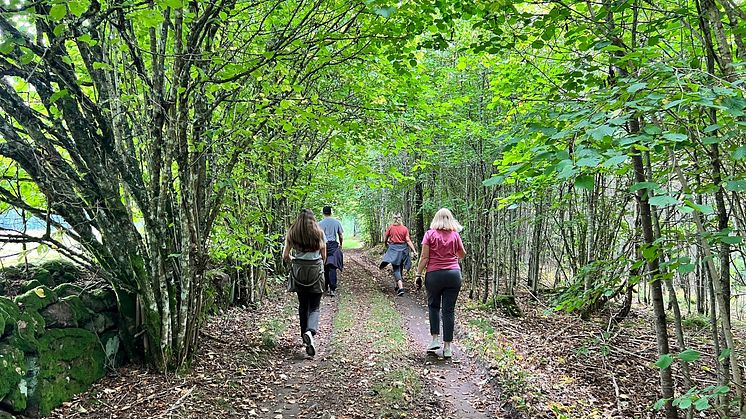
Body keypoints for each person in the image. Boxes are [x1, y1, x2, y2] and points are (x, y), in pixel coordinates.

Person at [415, 208, 466, 359]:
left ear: (435, 219)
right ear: (451, 219)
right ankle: (448, 348)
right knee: (449, 311)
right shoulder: (455, 235)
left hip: (434, 275)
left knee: (433, 306)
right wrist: (452, 255)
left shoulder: (429, 234)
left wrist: (418, 274)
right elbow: (462, 253)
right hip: (453, 275)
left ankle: (435, 339)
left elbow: (424, 257)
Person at [283, 209, 327, 357]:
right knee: (314, 306)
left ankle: (304, 336)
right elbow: (323, 254)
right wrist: (320, 264)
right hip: (315, 269)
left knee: (303, 305)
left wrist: (295, 262)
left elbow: (286, 256)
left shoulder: (292, 233)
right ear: (312, 220)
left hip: (299, 270)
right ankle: (310, 332)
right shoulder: (318, 233)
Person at [379, 213, 418, 296]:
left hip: (394, 249)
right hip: (403, 250)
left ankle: (400, 288)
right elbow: (407, 240)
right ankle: (397, 285)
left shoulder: (390, 228)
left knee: (396, 268)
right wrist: (414, 250)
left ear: (393, 219)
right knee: (399, 266)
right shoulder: (404, 229)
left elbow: (385, 238)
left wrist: (386, 244)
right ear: (401, 219)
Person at [318, 206, 344, 297]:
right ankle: (332, 289)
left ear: (323, 213)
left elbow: (318, 237)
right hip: (333, 246)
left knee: (324, 266)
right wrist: (341, 245)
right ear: (331, 212)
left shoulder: (319, 224)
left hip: (323, 246)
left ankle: (324, 287)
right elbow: (340, 235)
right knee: (332, 267)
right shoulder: (336, 222)